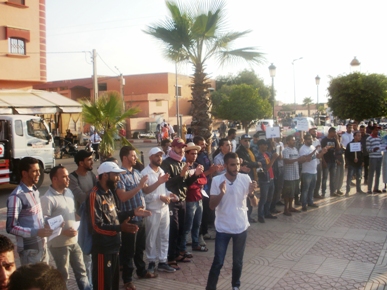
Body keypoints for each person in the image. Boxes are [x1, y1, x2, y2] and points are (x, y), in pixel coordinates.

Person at [87, 161, 151, 290]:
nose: (118, 178)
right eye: (116, 175)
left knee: (113, 283)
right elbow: (96, 226)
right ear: (105, 175)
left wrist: (133, 212)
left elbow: (115, 215)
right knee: (102, 284)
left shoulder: (109, 193)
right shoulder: (95, 195)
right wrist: (120, 228)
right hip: (102, 249)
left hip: (114, 246)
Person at [206, 152, 257, 290]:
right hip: (223, 228)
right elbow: (211, 205)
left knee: (238, 262)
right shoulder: (217, 181)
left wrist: (252, 193)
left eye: (238, 164)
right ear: (225, 165)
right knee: (218, 262)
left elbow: (254, 204)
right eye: (232, 165)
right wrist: (222, 192)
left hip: (240, 227)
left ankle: (235, 286)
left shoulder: (245, 178)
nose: (236, 168)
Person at [40, 165, 90, 289]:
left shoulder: (68, 192)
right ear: (54, 179)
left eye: (68, 176)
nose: (68, 179)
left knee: (82, 271)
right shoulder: (47, 198)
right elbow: (45, 223)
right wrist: (64, 231)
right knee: (64, 275)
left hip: (74, 241)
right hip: (59, 245)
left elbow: (71, 213)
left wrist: (81, 219)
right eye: (64, 177)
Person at [116, 146, 156, 290]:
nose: (135, 158)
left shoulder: (137, 173)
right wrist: (139, 186)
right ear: (125, 158)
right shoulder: (120, 175)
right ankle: (127, 279)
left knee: (139, 248)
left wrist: (159, 182)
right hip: (129, 218)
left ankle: (141, 271)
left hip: (141, 216)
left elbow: (145, 190)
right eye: (133, 156)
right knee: (128, 250)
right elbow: (122, 196)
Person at [161, 138, 200, 269]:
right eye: (179, 148)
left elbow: (185, 183)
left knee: (181, 229)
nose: (182, 150)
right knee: (174, 229)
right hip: (172, 201)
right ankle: (170, 257)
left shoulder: (181, 162)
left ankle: (177, 253)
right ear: (172, 148)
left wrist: (195, 175)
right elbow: (166, 183)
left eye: (183, 147)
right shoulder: (167, 163)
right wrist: (181, 175)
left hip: (182, 199)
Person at [6, 157, 53, 265]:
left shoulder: (34, 191)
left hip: (42, 247)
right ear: (24, 173)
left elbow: (37, 217)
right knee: (32, 281)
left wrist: (51, 221)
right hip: (29, 252)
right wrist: (36, 232)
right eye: (34, 171)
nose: (39, 174)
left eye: (39, 170)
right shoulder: (16, 196)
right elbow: (11, 227)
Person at [141, 147, 177, 273]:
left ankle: (162, 261)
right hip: (153, 210)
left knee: (164, 235)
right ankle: (151, 261)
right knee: (152, 236)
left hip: (164, 209)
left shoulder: (161, 171)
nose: (159, 158)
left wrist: (169, 194)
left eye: (161, 156)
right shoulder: (145, 173)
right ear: (150, 157)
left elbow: (163, 189)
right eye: (156, 156)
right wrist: (159, 197)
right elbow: (145, 194)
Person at [68, 150, 97, 287]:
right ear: (81, 163)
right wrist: (94, 193)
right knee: (84, 257)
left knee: (90, 258)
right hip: (79, 222)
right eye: (89, 159)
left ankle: (90, 283)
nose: (92, 162)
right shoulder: (73, 178)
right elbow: (81, 197)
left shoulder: (91, 175)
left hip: (92, 219)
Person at [180, 143, 207, 254]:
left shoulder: (197, 165)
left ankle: (195, 243)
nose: (194, 156)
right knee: (187, 226)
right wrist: (197, 181)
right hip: (189, 200)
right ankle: (183, 248)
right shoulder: (183, 167)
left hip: (199, 199)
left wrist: (196, 180)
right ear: (186, 154)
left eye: (196, 154)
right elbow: (186, 185)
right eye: (192, 154)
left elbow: (204, 180)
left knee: (197, 224)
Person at [194, 136, 221, 243]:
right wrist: (210, 171)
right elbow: (197, 176)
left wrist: (215, 169)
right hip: (199, 190)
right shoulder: (194, 158)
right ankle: (198, 235)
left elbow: (210, 169)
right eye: (201, 144)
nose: (204, 146)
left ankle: (204, 231)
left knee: (206, 211)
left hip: (207, 187)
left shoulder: (204, 155)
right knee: (200, 213)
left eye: (204, 144)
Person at [236, 134, 262, 223]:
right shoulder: (240, 151)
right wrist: (256, 164)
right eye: (245, 140)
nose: (247, 142)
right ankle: (246, 216)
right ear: (241, 141)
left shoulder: (249, 150)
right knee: (247, 198)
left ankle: (249, 215)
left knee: (251, 196)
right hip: (245, 176)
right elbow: (246, 163)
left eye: (248, 140)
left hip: (251, 175)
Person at [299, 134, 327, 211]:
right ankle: (304, 204)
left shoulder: (312, 147)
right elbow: (306, 159)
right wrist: (314, 151)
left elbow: (318, 156)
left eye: (311, 139)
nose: (310, 140)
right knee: (305, 189)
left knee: (312, 189)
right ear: (304, 140)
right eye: (308, 139)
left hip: (314, 171)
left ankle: (310, 202)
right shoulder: (303, 149)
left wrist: (323, 152)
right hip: (307, 172)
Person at [255, 139, 279, 222]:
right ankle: (260, 216)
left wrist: (273, 146)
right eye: (264, 145)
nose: (266, 146)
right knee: (263, 199)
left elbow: (273, 153)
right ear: (260, 146)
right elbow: (265, 169)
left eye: (266, 145)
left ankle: (267, 212)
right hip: (264, 180)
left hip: (271, 179)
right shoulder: (259, 156)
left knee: (269, 198)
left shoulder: (267, 154)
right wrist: (273, 159)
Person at [282, 135, 307, 216]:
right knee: (287, 193)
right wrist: (297, 159)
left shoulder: (295, 149)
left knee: (293, 193)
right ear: (288, 141)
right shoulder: (286, 150)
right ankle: (285, 209)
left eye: (294, 140)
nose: (294, 141)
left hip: (295, 175)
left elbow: (298, 159)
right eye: (292, 140)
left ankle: (291, 207)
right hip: (288, 176)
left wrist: (303, 159)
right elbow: (286, 161)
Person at [321, 127, 340, 197]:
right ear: (330, 132)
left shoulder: (334, 140)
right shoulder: (324, 140)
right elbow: (322, 151)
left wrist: (337, 139)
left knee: (333, 177)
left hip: (333, 161)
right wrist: (323, 161)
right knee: (325, 178)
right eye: (334, 132)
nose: (335, 134)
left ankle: (333, 191)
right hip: (326, 160)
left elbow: (338, 148)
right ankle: (323, 192)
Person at [345, 131, 364, 195]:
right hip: (352, 164)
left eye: (360, 135)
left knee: (359, 177)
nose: (360, 137)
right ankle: (347, 191)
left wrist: (362, 161)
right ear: (355, 136)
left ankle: (359, 189)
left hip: (359, 164)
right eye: (358, 135)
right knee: (350, 177)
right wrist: (353, 159)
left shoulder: (361, 144)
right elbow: (347, 154)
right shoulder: (349, 144)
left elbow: (362, 154)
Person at [366, 124, 384, 194]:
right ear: (372, 130)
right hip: (373, 158)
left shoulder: (379, 138)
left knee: (378, 173)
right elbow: (367, 149)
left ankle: (376, 188)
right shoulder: (369, 138)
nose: (377, 131)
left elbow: (382, 145)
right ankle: (369, 189)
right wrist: (373, 149)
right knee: (371, 173)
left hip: (379, 157)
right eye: (376, 130)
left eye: (378, 130)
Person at [309, 127, 323, 199]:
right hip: (311, 163)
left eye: (316, 131)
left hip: (317, 162)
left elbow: (319, 151)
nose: (315, 133)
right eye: (313, 131)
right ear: (310, 132)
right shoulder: (309, 142)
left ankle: (316, 193)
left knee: (318, 178)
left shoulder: (317, 140)